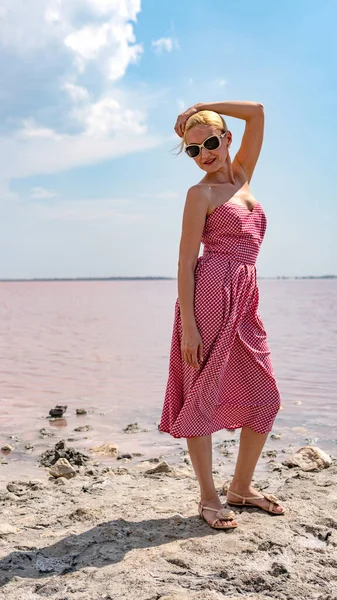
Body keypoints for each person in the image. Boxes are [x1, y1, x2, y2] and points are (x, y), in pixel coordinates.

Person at [159, 101, 285, 530]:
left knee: (265, 395)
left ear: (227, 139)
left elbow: (258, 112)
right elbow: (185, 264)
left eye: (211, 142)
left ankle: (241, 489)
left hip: (245, 296)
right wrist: (189, 329)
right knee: (202, 394)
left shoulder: (243, 174)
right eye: (194, 150)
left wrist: (202, 106)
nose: (205, 154)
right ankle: (209, 497)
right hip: (210, 295)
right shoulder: (200, 194)